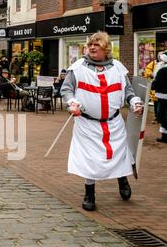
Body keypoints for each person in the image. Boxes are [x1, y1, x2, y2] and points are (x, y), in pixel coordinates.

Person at [60, 31, 144, 212]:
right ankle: (89, 193)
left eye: (96, 45)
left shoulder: (118, 68)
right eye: (90, 45)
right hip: (87, 124)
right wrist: (71, 103)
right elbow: (66, 90)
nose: (91, 48)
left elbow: (128, 91)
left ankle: (122, 180)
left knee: (119, 154)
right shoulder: (78, 68)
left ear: (106, 49)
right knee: (89, 159)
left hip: (114, 123)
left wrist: (134, 102)